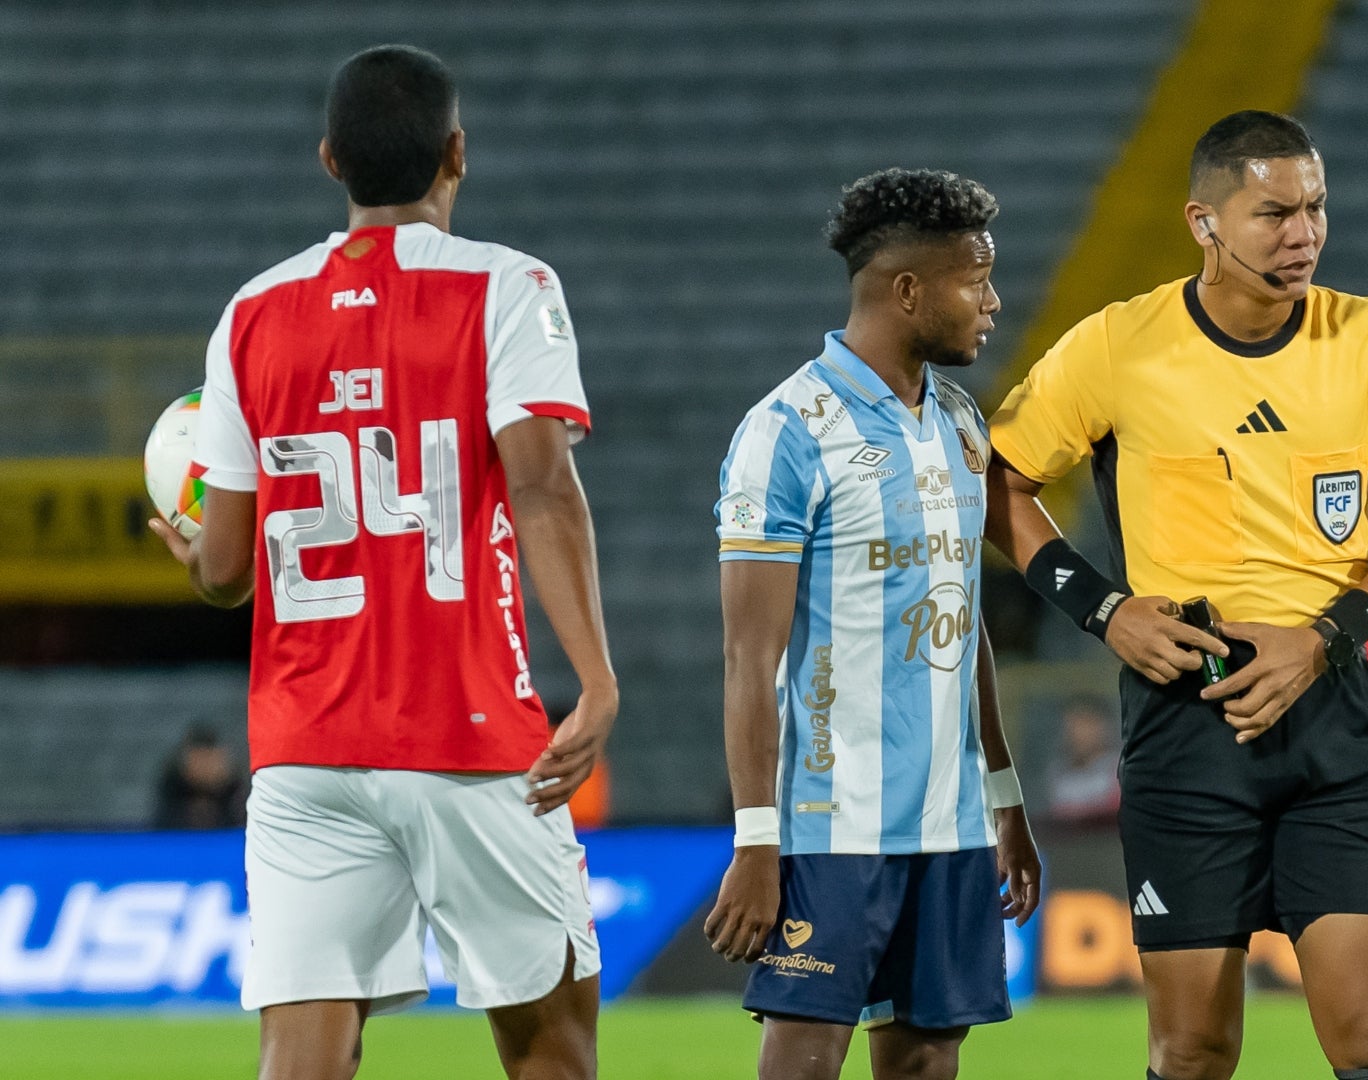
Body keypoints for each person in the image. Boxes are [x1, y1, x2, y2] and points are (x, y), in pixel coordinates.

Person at [149, 45, 615, 1080]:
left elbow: (225, 572)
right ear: (458, 153)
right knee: (552, 1048)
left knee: (302, 1059)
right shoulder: (508, 288)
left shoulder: (252, 315)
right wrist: (595, 676)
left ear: (329, 160)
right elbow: (540, 485)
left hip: (306, 748)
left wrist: (190, 551)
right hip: (471, 733)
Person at [986, 110, 1368, 1080]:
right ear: (1203, 223)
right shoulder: (1119, 346)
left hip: (1332, 710)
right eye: (1273, 213)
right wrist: (1104, 610)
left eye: (1316, 207)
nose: (1304, 234)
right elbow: (997, 484)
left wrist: (1324, 639)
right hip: (1184, 716)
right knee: (1194, 1047)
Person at [704, 168, 1042, 1080]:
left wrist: (1003, 800)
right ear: (908, 290)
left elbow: (964, 627)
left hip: (953, 822)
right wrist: (756, 838)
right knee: (804, 1062)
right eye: (977, 279)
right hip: (830, 827)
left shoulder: (962, 424)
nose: (993, 301)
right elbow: (748, 660)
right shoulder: (788, 431)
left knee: (928, 1062)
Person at [1045, 696, 1122, 827]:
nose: (1077, 732)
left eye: (1085, 724)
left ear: (1104, 727)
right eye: (1072, 724)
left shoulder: (1120, 771)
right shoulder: (1058, 774)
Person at [154, 726, 248, 829]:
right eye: (199, 760)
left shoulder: (234, 792)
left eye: (209, 759)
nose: (204, 766)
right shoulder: (173, 789)